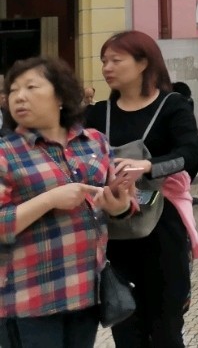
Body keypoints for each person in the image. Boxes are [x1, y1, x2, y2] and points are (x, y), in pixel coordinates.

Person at [1, 57, 134, 348]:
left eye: (31, 87)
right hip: (27, 300)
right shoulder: (6, 153)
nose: (19, 96)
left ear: (60, 95)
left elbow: (125, 203)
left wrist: (119, 206)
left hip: (83, 291)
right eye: (13, 90)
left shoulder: (94, 141)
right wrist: (49, 199)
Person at [86, 30, 198, 348]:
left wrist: (148, 167)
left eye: (116, 60)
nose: (107, 67)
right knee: (127, 332)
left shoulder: (171, 105)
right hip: (115, 233)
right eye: (104, 61)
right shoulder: (97, 114)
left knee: (166, 331)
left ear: (143, 63)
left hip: (162, 230)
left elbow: (190, 152)